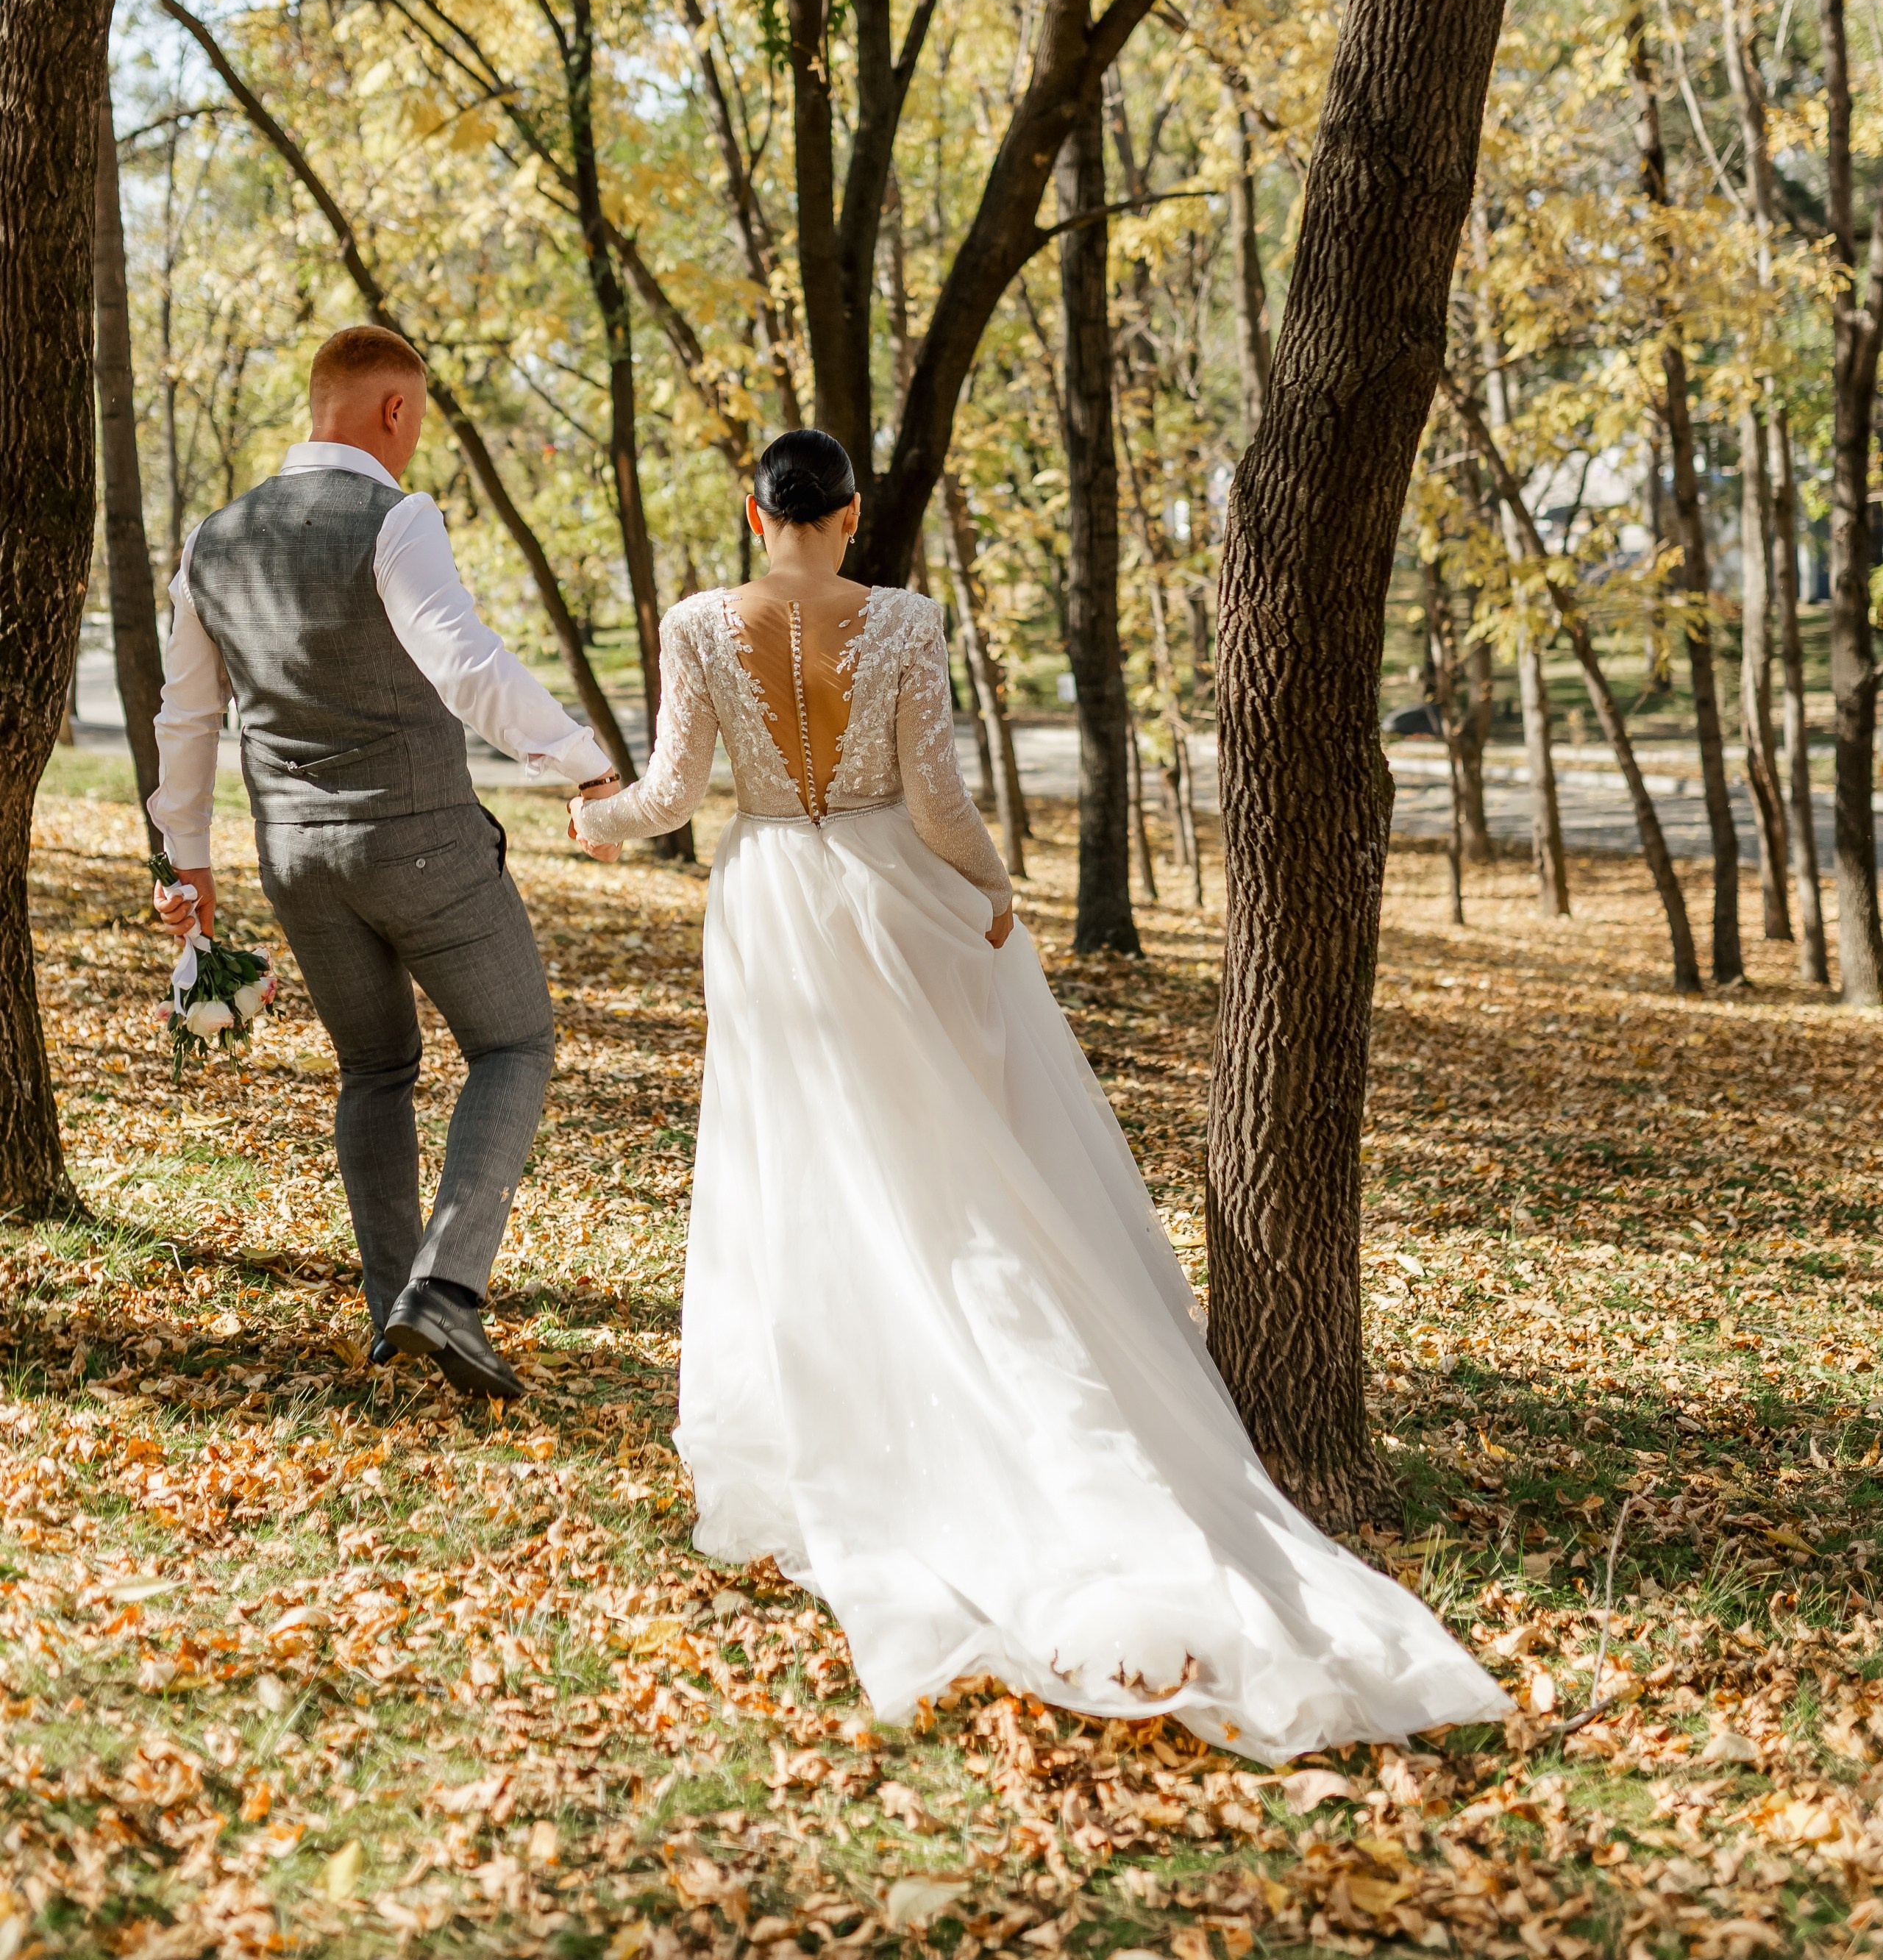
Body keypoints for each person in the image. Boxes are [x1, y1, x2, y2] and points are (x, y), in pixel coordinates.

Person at [567, 427, 1506, 1758]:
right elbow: (940, 802)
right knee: (949, 1167)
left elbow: (669, 795)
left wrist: (592, 820)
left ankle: (826, 1402)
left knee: (799, 1160)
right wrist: (994, 887)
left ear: (753, 512)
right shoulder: (904, 622)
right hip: (894, 902)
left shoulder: (697, 625)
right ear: (850, 513)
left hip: (769, 899)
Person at [149, 324, 629, 1398]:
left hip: (296, 861)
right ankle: (444, 1291)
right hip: (423, 848)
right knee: (513, 1041)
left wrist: (188, 868)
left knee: (375, 1070)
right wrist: (585, 767)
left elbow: (186, 718)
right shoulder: (396, 517)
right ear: (394, 410)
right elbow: (465, 661)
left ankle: (391, 1314)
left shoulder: (211, 542)